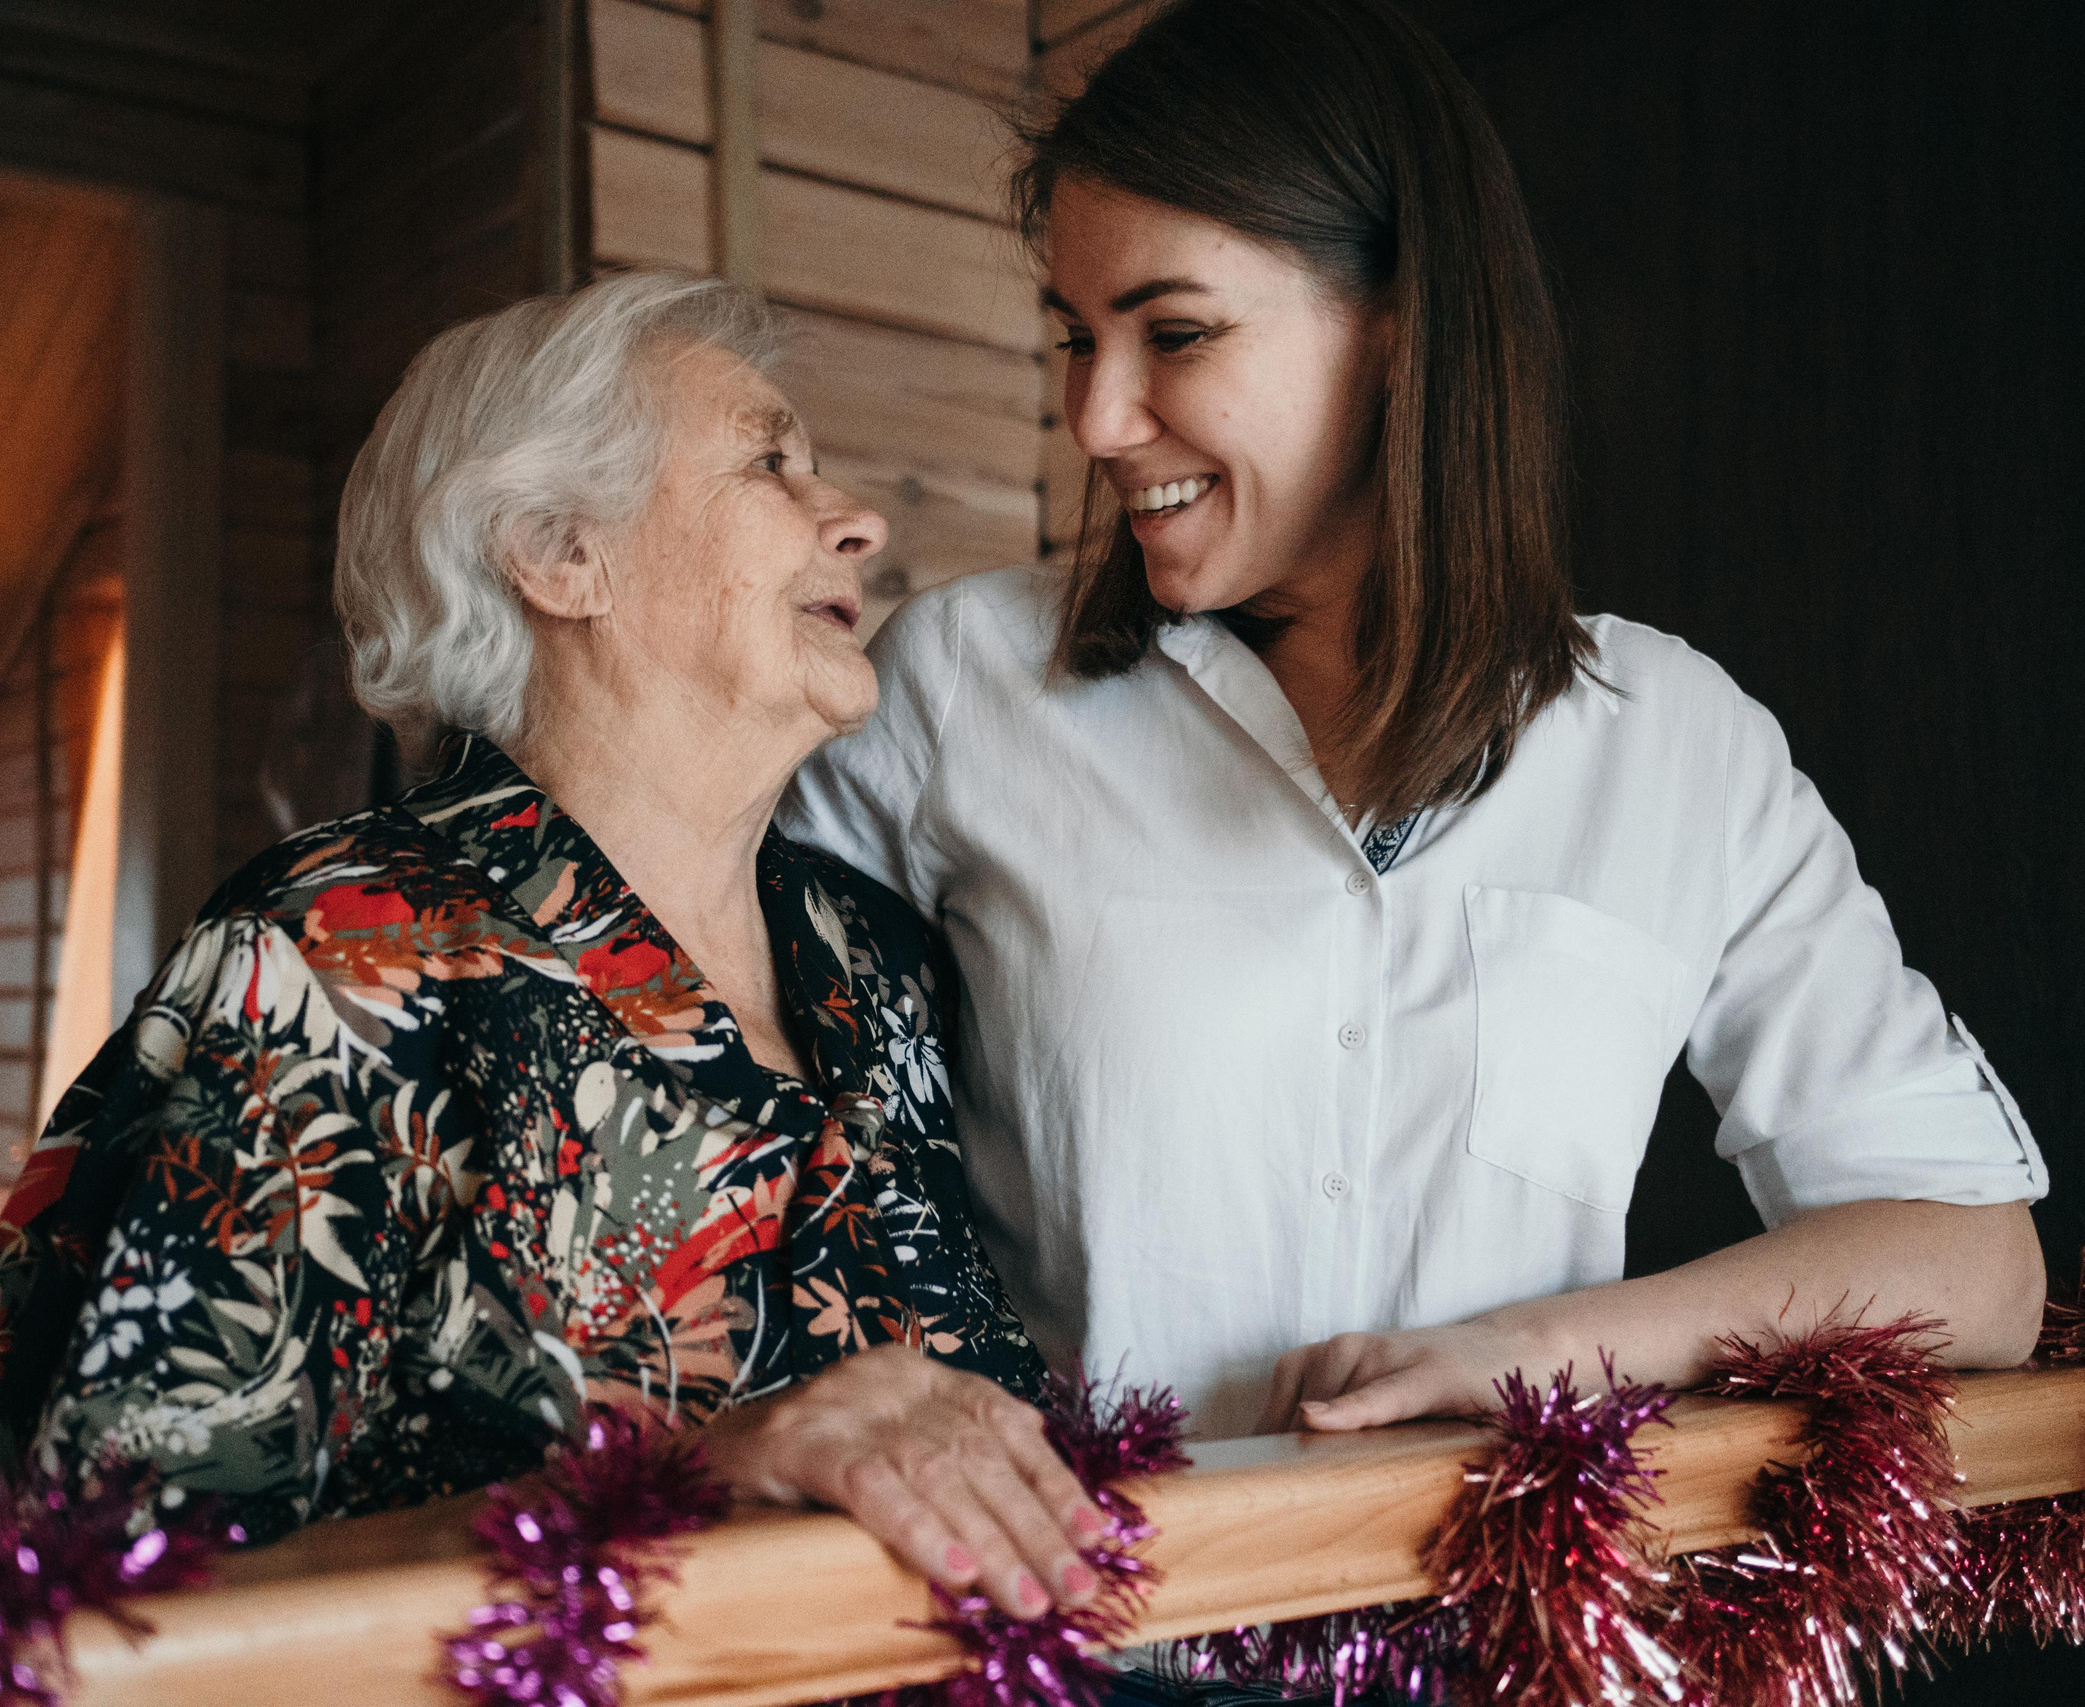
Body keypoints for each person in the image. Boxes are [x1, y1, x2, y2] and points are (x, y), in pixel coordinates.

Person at [784, 0, 2047, 1459]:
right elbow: (715, 1086)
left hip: (1510, 1652)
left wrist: (1541, 1351)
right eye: (1075, 336)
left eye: (1174, 332)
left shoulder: (1679, 744)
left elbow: (1974, 1259)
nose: (1100, 418)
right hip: (1076, 1654)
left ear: (1395, 326)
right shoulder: (958, 683)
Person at [0, 271, 1113, 1624]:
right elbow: (119, 1583)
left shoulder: (874, 954)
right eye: (770, 463)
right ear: (561, 552)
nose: (857, 521)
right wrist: (701, 1468)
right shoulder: (334, 962)